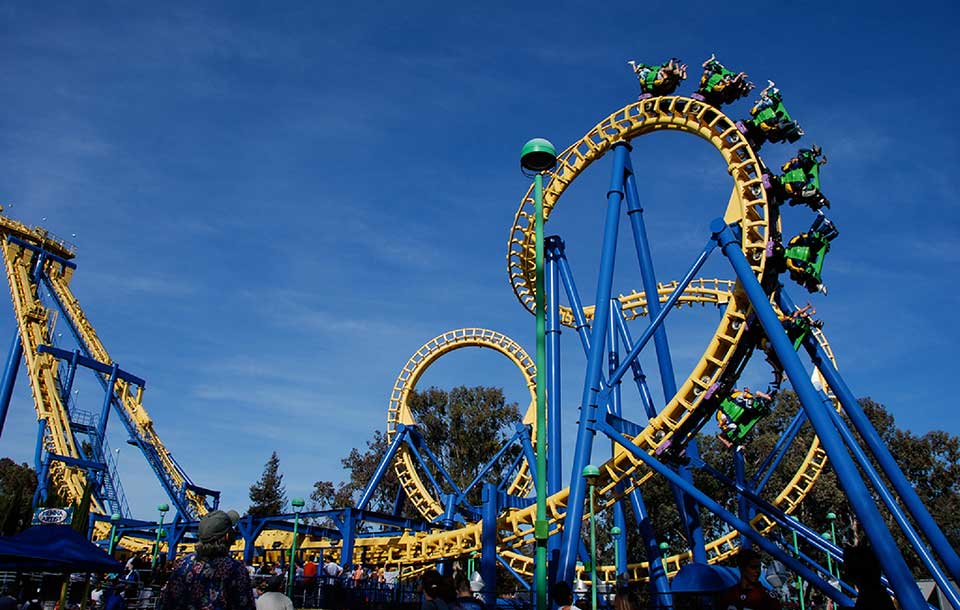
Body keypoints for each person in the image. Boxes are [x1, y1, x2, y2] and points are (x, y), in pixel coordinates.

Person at [157, 509, 256, 610]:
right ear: (227, 536)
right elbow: (245, 605)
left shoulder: (182, 564)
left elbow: (166, 601)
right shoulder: (235, 570)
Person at [716, 549, 782, 610]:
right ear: (742, 568)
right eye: (753, 567)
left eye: (759, 567)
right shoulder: (728, 594)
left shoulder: (767, 596)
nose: (757, 571)